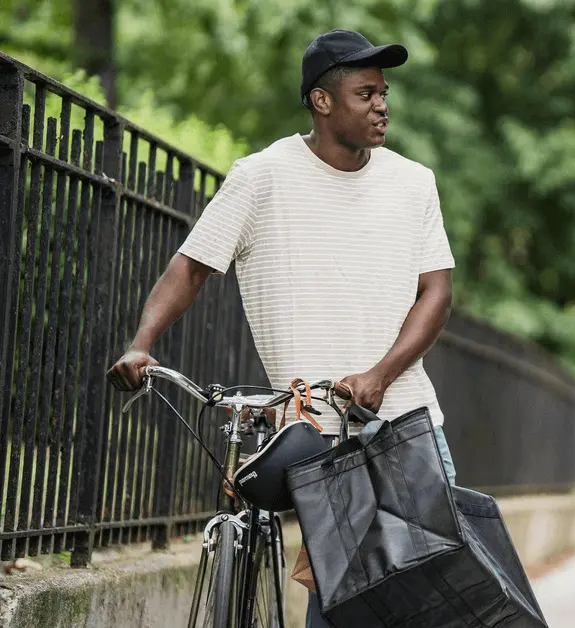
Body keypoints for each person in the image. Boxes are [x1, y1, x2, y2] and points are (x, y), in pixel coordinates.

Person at [104, 29, 458, 627]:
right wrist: (143, 345)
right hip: (317, 432)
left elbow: (437, 291)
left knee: (439, 597)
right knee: (337, 599)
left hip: (409, 421)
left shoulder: (413, 182)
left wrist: (380, 374)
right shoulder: (261, 177)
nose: (383, 106)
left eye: (384, 93)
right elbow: (190, 269)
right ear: (323, 102)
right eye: (366, 93)